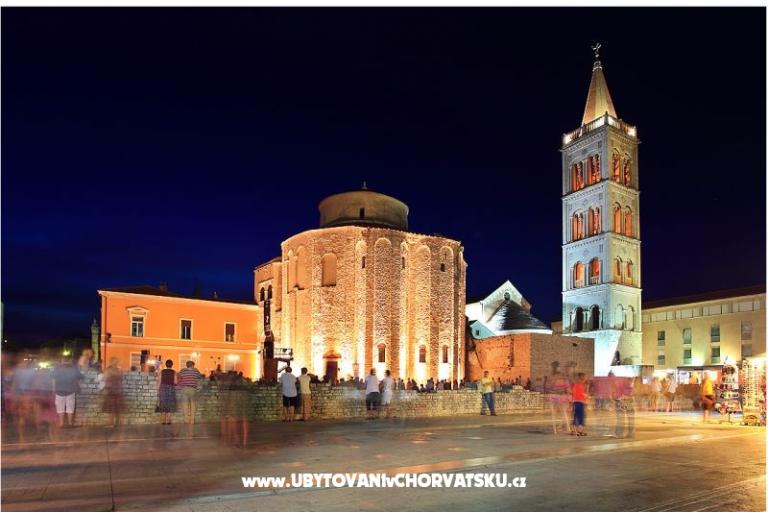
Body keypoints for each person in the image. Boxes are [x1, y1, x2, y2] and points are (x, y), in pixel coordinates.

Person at [51, 356, 83, 428]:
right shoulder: (74, 369)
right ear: (69, 361)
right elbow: (80, 377)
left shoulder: (57, 368)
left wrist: (53, 389)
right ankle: (70, 423)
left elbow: (53, 379)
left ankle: (61, 424)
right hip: (71, 390)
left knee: (60, 407)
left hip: (59, 390)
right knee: (70, 407)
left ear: (62, 361)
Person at [547, 362, 571, 434]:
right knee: (564, 413)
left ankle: (555, 430)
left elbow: (549, 387)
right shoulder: (563, 377)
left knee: (553, 414)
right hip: (561, 396)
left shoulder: (552, 377)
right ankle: (568, 428)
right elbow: (567, 386)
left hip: (554, 396)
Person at [177, 360, 202, 426]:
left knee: (184, 404)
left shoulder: (182, 371)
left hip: (184, 389)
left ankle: (186, 420)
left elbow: (178, 376)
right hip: (192, 389)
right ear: (193, 365)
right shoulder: (195, 371)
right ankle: (192, 420)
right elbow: (200, 376)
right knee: (193, 405)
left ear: (186, 365)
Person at [101, 357, 124, 428]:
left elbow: (104, 379)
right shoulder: (119, 370)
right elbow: (121, 380)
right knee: (117, 408)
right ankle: (118, 423)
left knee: (111, 408)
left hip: (110, 390)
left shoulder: (108, 370)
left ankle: (111, 423)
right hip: (118, 391)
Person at [157, 359, 177, 425]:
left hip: (163, 388)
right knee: (170, 404)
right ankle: (168, 420)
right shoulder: (174, 372)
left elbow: (159, 381)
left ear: (166, 364)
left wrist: (158, 390)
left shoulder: (162, 371)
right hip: (171, 388)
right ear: (172, 365)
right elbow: (175, 382)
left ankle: (163, 420)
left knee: (163, 403)